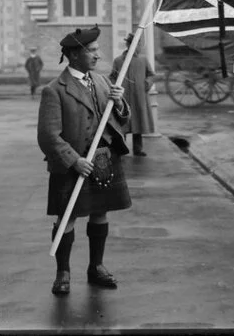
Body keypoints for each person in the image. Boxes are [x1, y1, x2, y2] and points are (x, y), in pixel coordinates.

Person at [37, 26, 131, 294]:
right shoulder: (54, 90)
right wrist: (74, 161)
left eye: (96, 50)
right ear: (75, 54)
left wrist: (121, 103)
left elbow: (120, 120)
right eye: (91, 51)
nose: (97, 55)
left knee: (100, 212)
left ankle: (96, 267)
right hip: (72, 165)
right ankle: (63, 272)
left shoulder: (101, 81)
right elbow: (47, 136)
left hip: (104, 161)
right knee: (66, 218)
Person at [109, 33, 155, 156]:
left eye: (138, 44)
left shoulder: (143, 60)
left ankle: (138, 149)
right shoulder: (118, 60)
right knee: (122, 123)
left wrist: (146, 84)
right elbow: (112, 76)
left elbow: (151, 75)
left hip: (139, 97)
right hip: (124, 97)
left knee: (138, 123)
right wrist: (115, 88)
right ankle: (121, 148)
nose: (138, 47)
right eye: (134, 44)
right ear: (128, 45)